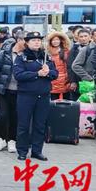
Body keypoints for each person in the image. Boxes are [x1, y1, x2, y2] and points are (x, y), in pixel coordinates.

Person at [13, 32, 58, 161]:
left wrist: (48, 72)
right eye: (33, 40)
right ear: (27, 42)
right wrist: (37, 73)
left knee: (40, 125)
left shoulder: (46, 57)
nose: (37, 42)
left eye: (39, 40)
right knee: (24, 125)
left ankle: (37, 150)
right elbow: (18, 75)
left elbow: (55, 74)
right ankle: (22, 150)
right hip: (26, 96)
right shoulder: (22, 58)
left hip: (43, 95)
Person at [0, 31, 25, 152]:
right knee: (3, 115)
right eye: (25, 40)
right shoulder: (4, 54)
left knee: (15, 116)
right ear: (19, 40)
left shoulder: (26, 55)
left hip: (20, 91)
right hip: (3, 90)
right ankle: (1, 139)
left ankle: (12, 140)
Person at [45, 31, 71, 100]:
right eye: (53, 40)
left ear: (60, 41)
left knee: (66, 101)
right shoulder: (46, 53)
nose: (55, 41)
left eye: (57, 40)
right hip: (52, 78)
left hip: (65, 79)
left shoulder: (66, 51)